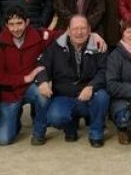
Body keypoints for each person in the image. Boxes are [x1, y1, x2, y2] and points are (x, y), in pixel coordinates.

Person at [35, 14, 111, 147]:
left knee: (103, 97)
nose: (79, 32)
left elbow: (104, 71)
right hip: (64, 94)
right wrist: (42, 81)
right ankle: (70, 128)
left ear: (89, 30)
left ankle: (96, 133)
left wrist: (91, 86)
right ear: (68, 31)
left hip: (89, 94)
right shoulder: (55, 47)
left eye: (83, 28)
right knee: (55, 117)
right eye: (75, 29)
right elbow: (42, 65)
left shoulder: (99, 46)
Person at [0, 7, 55, 145]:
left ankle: (39, 133)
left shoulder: (38, 36)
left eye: (19, 23)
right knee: (4, 139)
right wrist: (24, 78)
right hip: (9, 93)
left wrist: (92, 35)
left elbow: (62, 35)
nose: (16, 28)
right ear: (6, 25)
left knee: (43, 94)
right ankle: (14, 120)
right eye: (11, 24)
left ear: (27, 22)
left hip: (29, 88)